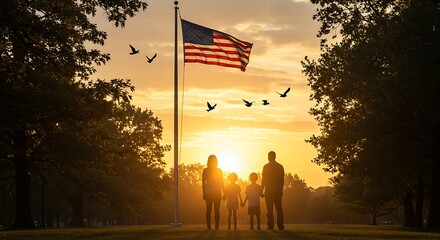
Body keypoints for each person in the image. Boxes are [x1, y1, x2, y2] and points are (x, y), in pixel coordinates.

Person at [261, 151, 285, 230]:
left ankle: (270, 225)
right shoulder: (280, 166)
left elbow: (264, 179)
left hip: (269, 190)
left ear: (268, 157)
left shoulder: (266, 167)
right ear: (275, 157)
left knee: (269, 209)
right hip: (277, 190)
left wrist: (261, 189)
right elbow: (282, 180)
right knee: (279, 208)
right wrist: (281, 190)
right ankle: (280, 225)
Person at [202, 155, 225, 230]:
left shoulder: (208, 170)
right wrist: (204, 192)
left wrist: (204, 192)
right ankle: (214, 226)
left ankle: (213, 226)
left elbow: (221, 182)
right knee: (214, 210)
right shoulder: (214, 170)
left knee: (212, 210)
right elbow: (204, 183)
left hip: (213, 192)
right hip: (213, 192)